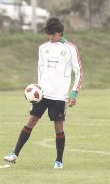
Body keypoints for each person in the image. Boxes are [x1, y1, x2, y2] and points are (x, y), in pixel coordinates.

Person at [3, 17, 83, 169]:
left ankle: (59, 161)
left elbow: (79, 72)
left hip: (59, 96)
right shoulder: (43, 48)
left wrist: (74, 93)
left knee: (58, 127)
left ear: (60, 33)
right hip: (42, 95)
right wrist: (36, 91)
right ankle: (14, 154)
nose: (50, 37)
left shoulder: (71, 49)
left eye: (52, 34)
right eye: (48, 34)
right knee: (31, 121)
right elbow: (40, 70)